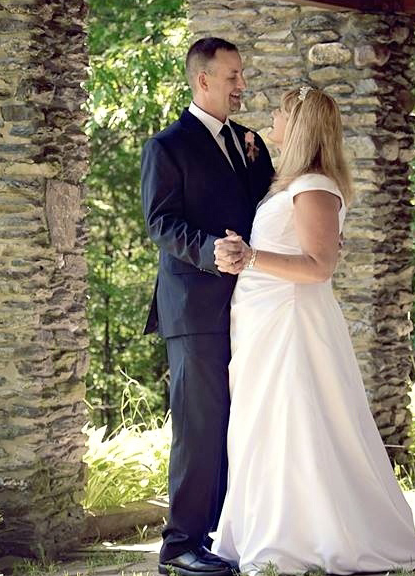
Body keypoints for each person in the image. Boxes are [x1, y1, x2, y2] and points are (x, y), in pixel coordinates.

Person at [210, 87, 415, 575]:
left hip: (291, 323)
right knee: (264, 424)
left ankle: (299, 539)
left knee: (292, 420)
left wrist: (250, 257)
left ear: (298, 126)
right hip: (265, 322)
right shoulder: (295, 182)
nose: (272, 119)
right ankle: (265, 531)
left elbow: (319, 267)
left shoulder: (314, 186)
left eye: (281, 112)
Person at [141, 37, 274, 576]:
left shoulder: (249, 142)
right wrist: (209, 251)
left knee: (241, 421)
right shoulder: (167, 146)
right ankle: (180, 545)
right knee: (199, 428)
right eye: (233, 75)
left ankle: (224, 533)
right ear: (203, 80)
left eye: (241, 74)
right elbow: (161, 222)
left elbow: (266, 209)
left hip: (254, 305)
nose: (242, 84)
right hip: (194, 308)